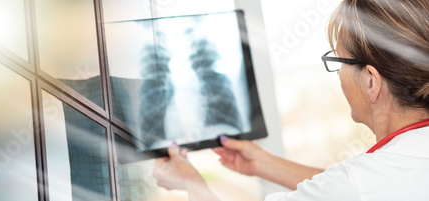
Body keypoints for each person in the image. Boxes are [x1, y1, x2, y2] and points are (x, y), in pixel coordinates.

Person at [153, 0, 429, 200]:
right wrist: (264, 163)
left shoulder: (358, 182)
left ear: (371, 80)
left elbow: (352, 187)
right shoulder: (394, 166)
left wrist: (189, 181)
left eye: (339, 60)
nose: (339, 74)